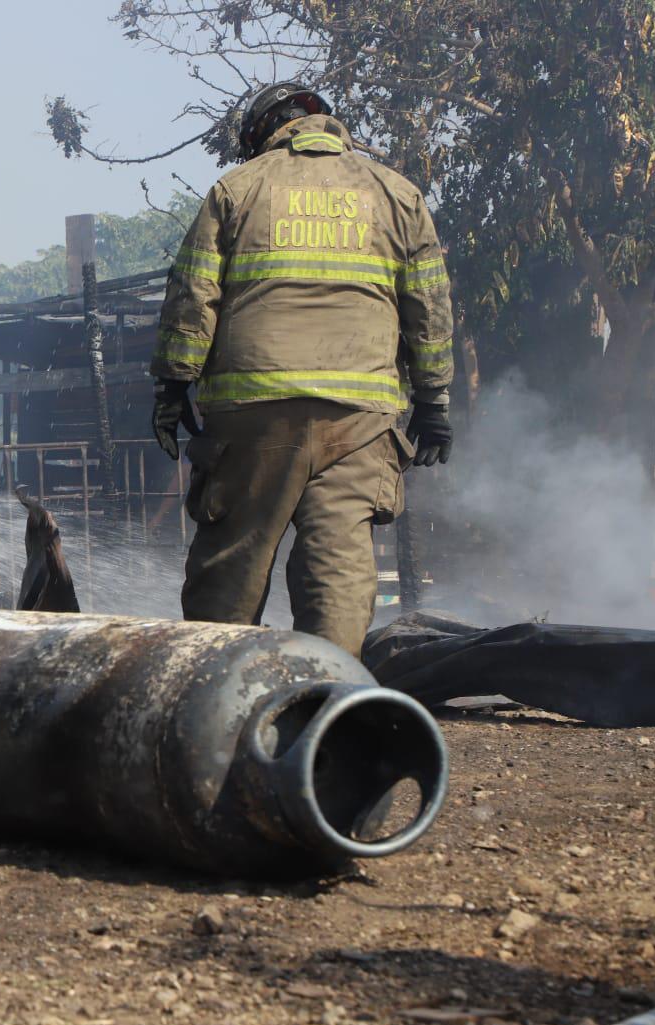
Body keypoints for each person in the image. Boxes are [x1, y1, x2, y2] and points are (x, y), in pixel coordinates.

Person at [151, 82, 455, 657]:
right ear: (324, 122)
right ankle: (329, 704)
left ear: (261, 133)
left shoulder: (236, 188)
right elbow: (430, 309)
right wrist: (435, 403)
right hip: (361, 421)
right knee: (338, 572)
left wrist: (172, 387)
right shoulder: (397, 194)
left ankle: (216, 702)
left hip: (254, 415)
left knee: (231, 570)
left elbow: (192, 297)